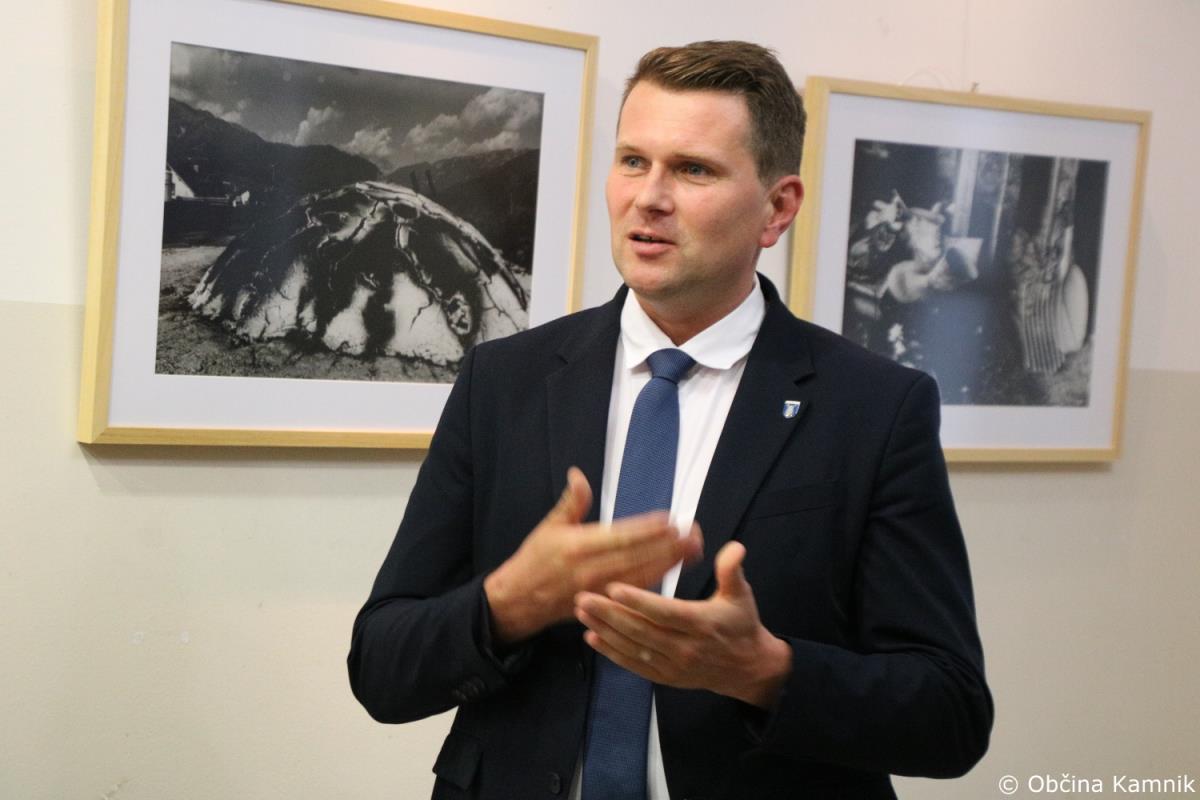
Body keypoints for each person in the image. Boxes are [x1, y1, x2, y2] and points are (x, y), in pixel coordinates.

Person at [348, 40, 993, 800]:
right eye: (632, 161)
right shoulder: (505, 381)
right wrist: (511, 602)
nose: (648, 198)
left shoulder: (875, 408)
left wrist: (764, 671)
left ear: (778, 208)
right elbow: (381, 669)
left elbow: (950, 713)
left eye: (693, 170)